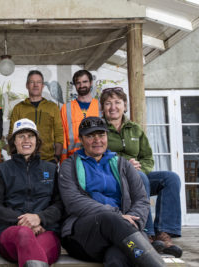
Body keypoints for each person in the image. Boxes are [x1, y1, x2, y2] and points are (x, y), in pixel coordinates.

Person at [59, 116, 165, 267]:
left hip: (120, 233)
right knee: (109, 219)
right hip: (83, 236)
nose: (97, 140)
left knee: (117, 257)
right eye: (90, 136)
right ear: (81, 140)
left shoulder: (123, 165)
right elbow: (73, 202)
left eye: (101, 135)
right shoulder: (69, 166)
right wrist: (118, 216)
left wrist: (134, 221)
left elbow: (141, 199)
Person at [100, 87, 182, 257]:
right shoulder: (100, 129)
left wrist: (140, 167)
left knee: (171, 178)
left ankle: (164, 232)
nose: (113, 107)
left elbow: (147, 158)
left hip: (138, 175)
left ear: (125, 105)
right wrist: (125, 167)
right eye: (108, 103)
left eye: (117, 102)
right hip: (113, 178)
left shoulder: (135, 129)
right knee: (140, 177)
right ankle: (148, 233)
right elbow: (96, 158)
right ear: (103, 108)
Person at [0, 118, 63, 267]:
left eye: (30, 135)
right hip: (11, 233)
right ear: (14, 142)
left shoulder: (50, 169)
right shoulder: (2, 170)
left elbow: (60, 205)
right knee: (24, 234)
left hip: (45, 231)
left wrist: (39, 217)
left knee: (36, 250)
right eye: (21, 136)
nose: (26, 140)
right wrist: (24, 222)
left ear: (37, 141)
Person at [9, 70, 63, 163]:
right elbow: (12, 135)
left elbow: (59, 134)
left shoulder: (52, 107)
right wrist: (15, 157)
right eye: (32, 82)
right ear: (27, 85)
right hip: (24, 160)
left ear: (43, 86)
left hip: (48, 160)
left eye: (38, 82)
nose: (35, 85)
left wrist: (57, 157)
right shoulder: (18, 108)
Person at [60, 70, 100, 162]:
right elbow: (63, 137)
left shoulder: (100, 107)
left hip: (96, 159)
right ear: (75, 85)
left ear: (91, 83)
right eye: (78, 83)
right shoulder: (66, 108)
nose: (82, 86)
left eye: (85, 82)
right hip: (73, 158)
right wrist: (64, 162)